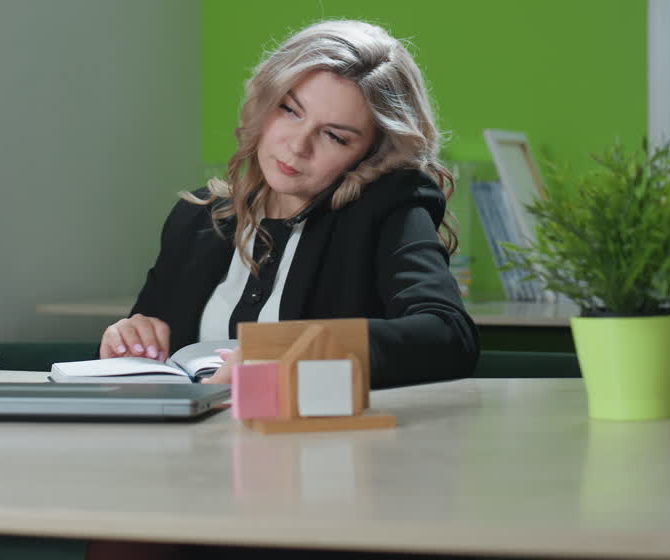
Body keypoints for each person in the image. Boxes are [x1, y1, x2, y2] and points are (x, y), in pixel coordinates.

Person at [99, 19, 479, 388]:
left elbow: (449, 336)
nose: (298, 146)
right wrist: (130, 341)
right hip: (192, 445)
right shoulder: (197, 216)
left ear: (372, 153)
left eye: (334, 136)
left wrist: (305, 350)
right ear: (264, 103)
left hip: (322, 446)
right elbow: (154, 357)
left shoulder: (389, 210)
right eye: (289, 110)